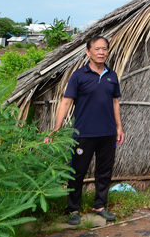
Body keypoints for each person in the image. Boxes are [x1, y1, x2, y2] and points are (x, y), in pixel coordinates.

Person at [44, 35, 125, 225]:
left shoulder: (112, 76)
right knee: (77, 172)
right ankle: (73, 209)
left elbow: (115, 102)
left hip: (107, 133)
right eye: (97, 49)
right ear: (88, 52)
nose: (101, 52)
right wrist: (56, 128)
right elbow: (66, 103)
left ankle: (100, 206)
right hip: (83, 134)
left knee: (104, 171)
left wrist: (119, 127)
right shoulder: (79, 75)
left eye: (104, 48)